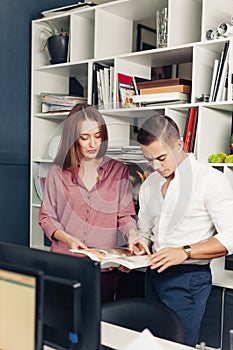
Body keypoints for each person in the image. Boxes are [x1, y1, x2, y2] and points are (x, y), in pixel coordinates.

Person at [128, 114, 233, 347]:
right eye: (149, 159)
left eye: (162, 158)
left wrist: (184, 252)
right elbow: (146, 229)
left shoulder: (210, 181)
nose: (156, 166)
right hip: (153, 274)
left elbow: (230, 238)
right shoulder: (150, 184)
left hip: (188, 279)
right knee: (152, 344)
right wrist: (140, 240)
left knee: (178, 345)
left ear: (179, 145)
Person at [38, 103, 138, 302]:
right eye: (85, 138)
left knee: (102, 326)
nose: (93, 144)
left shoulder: (118, 171)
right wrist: (68, 239)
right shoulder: (57, 172)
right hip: (65, 265)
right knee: (63, 324)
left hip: (104, 269)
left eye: (98, 136)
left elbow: (125, 215)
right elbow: (47, 217)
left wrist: (133, 235)